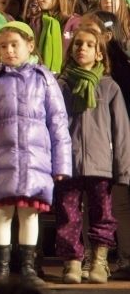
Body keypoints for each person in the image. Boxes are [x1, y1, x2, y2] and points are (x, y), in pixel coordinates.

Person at [0, 21, 72, 286]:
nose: (9, 51)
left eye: (14, 45)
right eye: (3, 46)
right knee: (2, 213)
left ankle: (28, 267)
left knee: (29, 214)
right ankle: (1, 268)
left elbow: (58, 123)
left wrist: (62, 164)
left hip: (35, 161)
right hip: (1, 161)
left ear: (30, 45)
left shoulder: (44, 79)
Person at [56, 26, 130, 284]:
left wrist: (123, 169)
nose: (82, 48)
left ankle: (99, 262)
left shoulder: (109, 87)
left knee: (103, 214)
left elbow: (121, 131)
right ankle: (73, 263)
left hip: (101, 165)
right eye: (78, 44)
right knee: (68, 215)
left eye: (89, 44)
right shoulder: (61, 86)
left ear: (99, 53)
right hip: (68, 163)